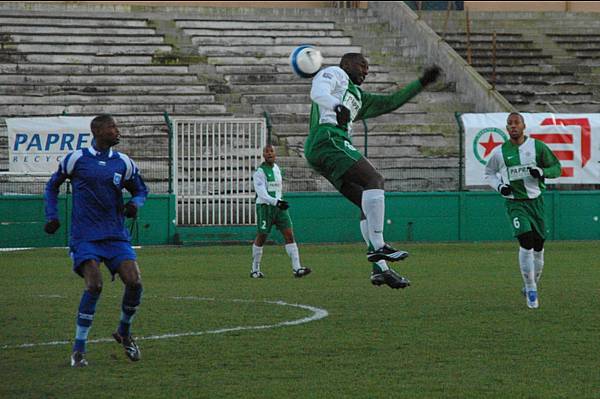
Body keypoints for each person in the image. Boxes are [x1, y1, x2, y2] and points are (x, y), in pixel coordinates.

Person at [304, 52, 440, 289]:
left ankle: (380, 270)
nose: (366, 71)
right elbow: (317, 92)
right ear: (346, 64)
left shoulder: (359, 97)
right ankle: (378, 247)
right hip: (328, 138)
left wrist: (422, 83)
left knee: (365, 203)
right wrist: (336, 106)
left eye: (368, 68)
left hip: (326, 150)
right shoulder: (335, 74)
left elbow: (390, 102)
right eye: (362, 66)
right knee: (374, 179)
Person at [43, 114, 148, 367]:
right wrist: (52, 215)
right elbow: (51, 186)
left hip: (115, 235)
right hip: (85, 236)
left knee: (134, 282)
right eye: (112, 127)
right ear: (97, 131)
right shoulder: (76, 159)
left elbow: (141, 189)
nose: (117, 131)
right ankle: (79, 349)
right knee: (94, 285)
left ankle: (124, 331)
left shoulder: (123, 162)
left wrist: (135, 203)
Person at [484, 112, 561, 309]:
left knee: (538, 246)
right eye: (509, 123)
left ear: (524, 126)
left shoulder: (537, 147)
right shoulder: (500, 152)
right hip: (515, 203)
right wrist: (500, 187)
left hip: (536, 202)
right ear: (506, 128)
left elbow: (556, 167)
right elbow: (490, 173)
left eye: (516, 123)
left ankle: (532, 282)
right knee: (526, 241)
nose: (513, 126)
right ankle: (531, 289)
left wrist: (543, 172)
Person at [251, 144, 311, 279]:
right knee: (262, 236)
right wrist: (276, 202)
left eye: (271, 151)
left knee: (289, 235)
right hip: (265, 207)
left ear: (275, 154)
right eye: (266, 152)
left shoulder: (277, 169)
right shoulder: (259, 172)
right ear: (263, 155)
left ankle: (297, 269)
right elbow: (261, 193)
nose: (269, 154)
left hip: (279, 208)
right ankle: (255, 269)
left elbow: (277, 189)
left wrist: (280, 201)